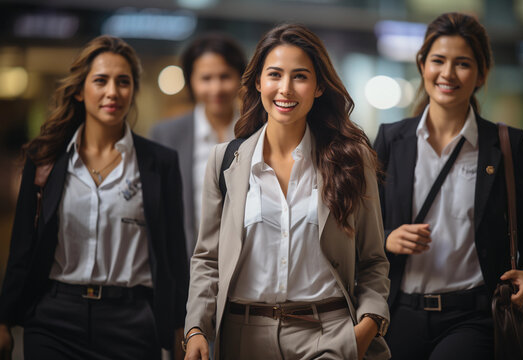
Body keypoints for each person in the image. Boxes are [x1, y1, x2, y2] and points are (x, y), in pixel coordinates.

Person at [183, 23, 391, 360]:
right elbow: (207, 261)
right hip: (242, 338)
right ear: (257, 82)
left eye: (300, 76)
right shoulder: (223, 161)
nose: (285, 89)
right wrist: (195, 329)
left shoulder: (354, 160)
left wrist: (367, 327)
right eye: (275, 75)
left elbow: (373, 261)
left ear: (319, 86)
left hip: (329, 335)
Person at [373, 12, 523, 360]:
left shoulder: (505, 146)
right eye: (438, 60)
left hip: (473, 316)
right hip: (398, 312)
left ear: (481, 74)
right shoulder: (390, 140)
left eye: (462, 64)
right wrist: (387, 238)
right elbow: (354, 229)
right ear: (422, 64)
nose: (447, 73)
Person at [0, 35, 189, 360]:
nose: (112, 92)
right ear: (79, 89)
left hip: (131, 322)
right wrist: (3, 320)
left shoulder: (160, 162)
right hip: (53, 320)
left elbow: (173, 254)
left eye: (123, 82)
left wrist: (182, 327)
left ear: (133, 91)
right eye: (100, 80)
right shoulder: (44, 158)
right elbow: (22, 249)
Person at [149, 33, 246, 259]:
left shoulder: (258, 132)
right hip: (184, 262)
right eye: (206, 78)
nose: (216, 88)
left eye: (224, 76)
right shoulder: (165, 135)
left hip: (246, 264)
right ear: (191, 81)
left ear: (240, 77)